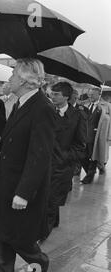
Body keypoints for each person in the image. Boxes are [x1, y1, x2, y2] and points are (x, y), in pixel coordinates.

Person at [0, 59, 56, 272]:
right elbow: (10, 137)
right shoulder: (21, 103)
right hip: (5, 182)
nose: (9, 78)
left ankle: (39, 263)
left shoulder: (42, 107)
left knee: (20, 238)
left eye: (13, 74)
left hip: (21, 187)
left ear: (24, 80)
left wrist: (24, 193)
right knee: (1, 234)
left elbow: (40, 156)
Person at [42, 82, 86, 240]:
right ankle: (54, 221)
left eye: (56, 94)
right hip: (43, 163)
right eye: (52, 93)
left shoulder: (77, 116)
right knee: (46, 197)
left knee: (51, 199)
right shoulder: (47, 111)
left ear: (66, 97)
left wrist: (64, 157)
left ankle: (43, 234)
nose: (52, 97)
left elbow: (81, 146)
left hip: (62, 166)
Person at [80, 87, 105, 184]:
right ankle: (90, 172)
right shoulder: (85, 105)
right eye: (90, 94)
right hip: (83, 136)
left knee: (93, 157)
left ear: (99, 95)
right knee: (82, 157)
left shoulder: (104, 106)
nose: (90, 96)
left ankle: (88, 178)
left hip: (95, 137)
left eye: (93, 95)